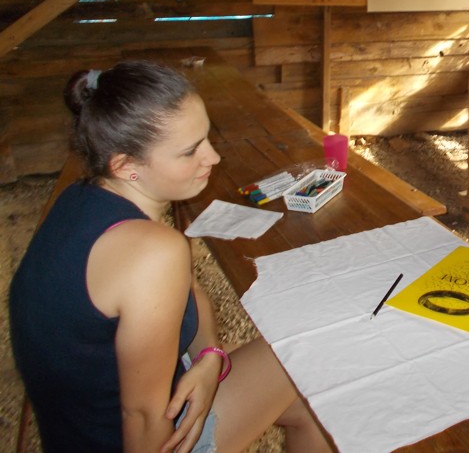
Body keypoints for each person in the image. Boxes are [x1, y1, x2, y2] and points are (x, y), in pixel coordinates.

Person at [9, 61, 332, 453]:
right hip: (129, 438)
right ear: (126, 166)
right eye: (190, 151)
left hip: (78, 424)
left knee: (313, 405)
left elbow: (189, 292)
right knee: (307, 358)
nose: (213, 157)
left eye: (206, 138)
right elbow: (143, 416)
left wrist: (210, 356)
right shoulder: (154, 252)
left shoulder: (81, 197)